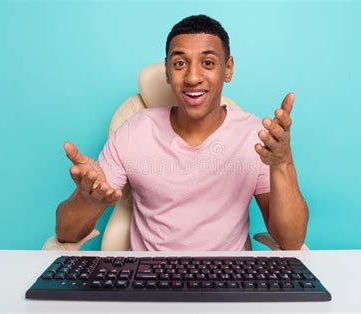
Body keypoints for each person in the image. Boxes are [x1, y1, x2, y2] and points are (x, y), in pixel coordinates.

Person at [55, 15, 309, 250]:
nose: (192, 77)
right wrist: (87, 201)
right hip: (150, 282)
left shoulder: (255, 136)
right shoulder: (135, 130)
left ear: (228, 69)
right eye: (180, 63)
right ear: (167, 71)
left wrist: (282, 163)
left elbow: (290, 242)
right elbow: (66, 233)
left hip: (228, 281)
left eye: (208, 63)